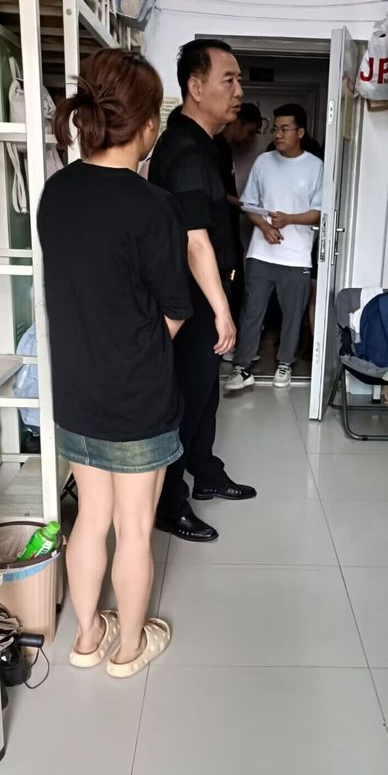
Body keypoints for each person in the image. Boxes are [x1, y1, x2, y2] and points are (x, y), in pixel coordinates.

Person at [38, 50, 193, 678]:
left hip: (76, 390)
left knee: (90, 518)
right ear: (148, 125)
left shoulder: (56, 193)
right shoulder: (153, 206)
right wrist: (136, 346)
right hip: (137, 397)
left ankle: (85, 638)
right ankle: (129, 648)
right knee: (134, 527)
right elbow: (175, 311)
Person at [148, 39, 256, 543]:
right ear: (195, 87)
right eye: (228, 80)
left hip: (207, 292)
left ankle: (205, 471)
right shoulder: (186, 151)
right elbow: (194, 242)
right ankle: (169, 503)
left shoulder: (205, 144)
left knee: (205, 392)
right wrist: (221, 311)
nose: (239, 91)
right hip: (191, 300)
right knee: (186, 399)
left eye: (240, 81)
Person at [226, 103, 323, 390]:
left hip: (296, 255)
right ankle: (242, 367)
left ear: (300, 132)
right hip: (260, 252)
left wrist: (290, 219)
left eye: (284, 129)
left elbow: (319, 212)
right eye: (275, 129)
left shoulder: (316, 167)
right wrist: (265, 226)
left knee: (293, 314)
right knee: (251, 311)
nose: (277, 134)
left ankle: (285, 364)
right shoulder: (263, 162)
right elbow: (248, 204)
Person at [215, 102, 262, 326]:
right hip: (219, 236)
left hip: (230, 233)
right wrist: (244, 205)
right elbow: (215, 192)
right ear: (238, 122)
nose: (249, 139)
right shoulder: (214, 148)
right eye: (250, 132)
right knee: (229, 287)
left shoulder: (225, 149)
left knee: (236, 287)